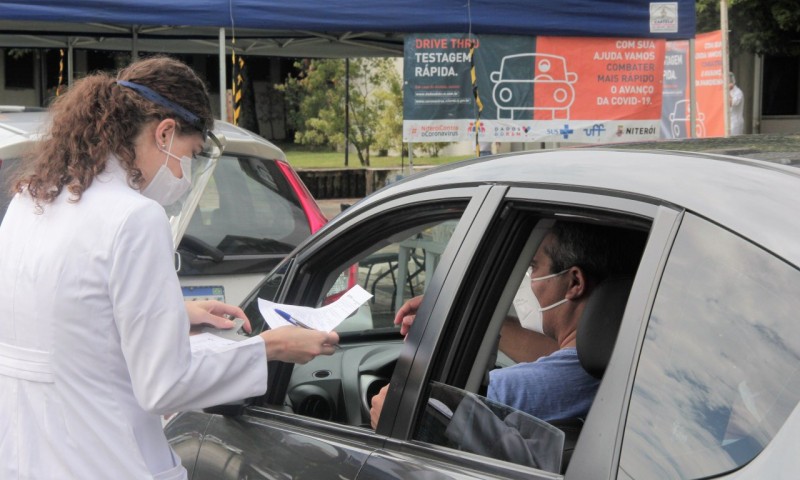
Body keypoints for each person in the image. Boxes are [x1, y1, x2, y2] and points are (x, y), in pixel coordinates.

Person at [0, 56, 338, 480]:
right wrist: (269, 349)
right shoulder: (135, 217)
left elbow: (58, 320)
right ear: (164, 132)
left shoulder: (31, 200)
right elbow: (165, 385)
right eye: (190, 154)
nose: (186, 171)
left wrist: (171, 315)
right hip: (107, 461)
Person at [370, 222, 643, 428]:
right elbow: (559, 356)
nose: (530, 279)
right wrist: (467, 313)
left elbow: (406, 407)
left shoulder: (521, 392)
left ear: (574, 283)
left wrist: (390, 404)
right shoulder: (630, 360)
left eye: (535, 267)